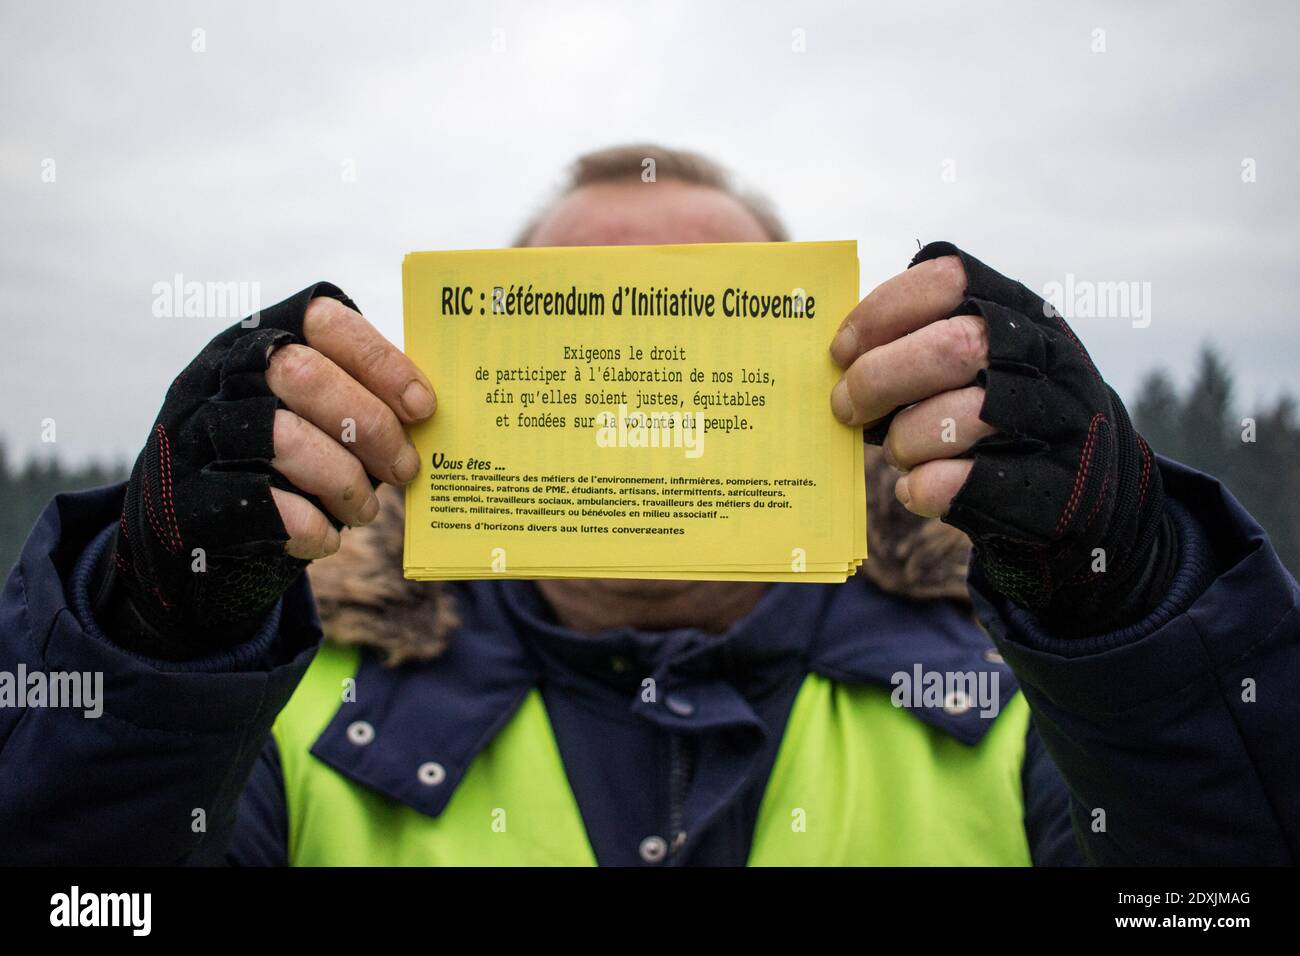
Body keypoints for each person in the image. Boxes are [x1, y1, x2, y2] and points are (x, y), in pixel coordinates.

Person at [2, 144, 1296, 866]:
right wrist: (149, 639)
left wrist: (1138, 603)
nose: (650, 361)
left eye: (711, 314)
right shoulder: (298, 725)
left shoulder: (1007, 712)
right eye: (588, 316)